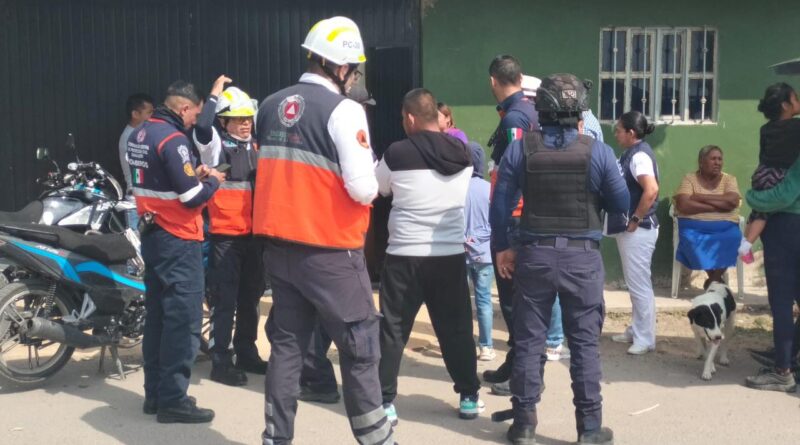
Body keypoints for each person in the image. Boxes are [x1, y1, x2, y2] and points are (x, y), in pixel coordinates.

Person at [253, 17, 394, 445]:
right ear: (339, 66)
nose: (354, 76)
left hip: (279, 249)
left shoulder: (269, 105)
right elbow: (363, 188)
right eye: (353, 68)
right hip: (331, 251)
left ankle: (276, 438)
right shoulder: (344, 110)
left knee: (287, 350)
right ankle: (378, 441)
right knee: (360, 349)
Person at [491, 73, 629, 445]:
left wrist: (504, 246)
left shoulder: (520, 149)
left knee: (529, 341)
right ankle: (589, 428)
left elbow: (501, 203)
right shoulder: (598, 152)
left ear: (541, 110)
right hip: (582, 260)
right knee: (583, 346)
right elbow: (621, 204)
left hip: (533, 256)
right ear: (579, 111)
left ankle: (523, 425)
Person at [376, 88, 483, 423]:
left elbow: (379, 188)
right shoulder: (465, 154)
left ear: (409, 118)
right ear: (437, 117)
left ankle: (384, 402)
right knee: (457, 329)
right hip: (450, 254)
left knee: (393, 329)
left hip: (404, 255)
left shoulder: (396, 152)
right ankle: (468, 395)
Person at [127, 80, 225, 423]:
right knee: (183, 321)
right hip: (178, 238)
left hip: (152, 235)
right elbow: (192, 197)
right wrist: (212, 179)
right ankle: (173, 400)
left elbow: (163, 179)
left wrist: (191, 175)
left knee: (157, 318)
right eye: (196, 113)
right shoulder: (173, 139)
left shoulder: (139, 134)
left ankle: (154, 394)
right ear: (184, 108)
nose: (195, 120)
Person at [298, 84, 379, 406]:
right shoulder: (340, 133)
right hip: (332, 238)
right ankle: (328, 383)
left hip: (338, 237)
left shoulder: (339, 134)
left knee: (327, 316)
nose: (366, 110)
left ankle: (322, 382)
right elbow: (364, 188)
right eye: (363, 104)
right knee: (335, 316)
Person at [192, 77, 267, 386]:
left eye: (247, 118)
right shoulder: (215, 147)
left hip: (254, 237)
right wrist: (213, 96)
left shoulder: (257, 147)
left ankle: (247, 351)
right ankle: (221, 360)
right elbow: (200, 128)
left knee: (251, 298)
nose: (245, 124)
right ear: (224, 122)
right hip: (225, 237)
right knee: (225, 300)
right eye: (237, 119)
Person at [483, 54, 539, 396]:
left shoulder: (516, 118)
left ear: (494, 81)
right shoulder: (527, 111)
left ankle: (521, 372)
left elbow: (516, 168)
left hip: (514, 219)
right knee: (515, 299)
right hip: (518, 217)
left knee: (513, 300)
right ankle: (514, 361)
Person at [743, 86, 800, 393]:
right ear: (788, 104)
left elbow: (783, 193)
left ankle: (783, 371)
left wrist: (754, 197)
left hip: (784, 226)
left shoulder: (770, 133)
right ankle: (788, 357)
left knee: (780, 302)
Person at [608, 111, 660, 355]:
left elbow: (651, 190)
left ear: (631, 133)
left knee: (639, 285)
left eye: (619, 130)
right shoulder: (633, 153)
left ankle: (645, 337)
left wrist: (636, 219)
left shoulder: (639, 156)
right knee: (635, 282)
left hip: (639, 230)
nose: (616, 134)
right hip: (633, 229)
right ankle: (638, 328)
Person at [739, 83, 800, 261]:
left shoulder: (765, 129)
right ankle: (748, 243)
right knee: (765, 213)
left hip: (763, 172)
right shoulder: (796, 127)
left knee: (758, 210)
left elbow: (763, 154)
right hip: (780, 174)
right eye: (795, 99)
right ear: (785, 106)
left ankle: (745, 240)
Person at [673, 146, 741, 288]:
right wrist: (718, 205)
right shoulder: (689, 179)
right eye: (713, 159)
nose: (717, 162)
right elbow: (684, 205)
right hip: (693, 226)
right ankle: (716, 280)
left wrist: (700, 197)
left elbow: (733, 201)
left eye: (720, 159)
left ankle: (713, 280)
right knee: (690, 239)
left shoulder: (729, 179)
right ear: (701, 162)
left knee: (735, 237)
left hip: (725, 226)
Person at [465, 141, 495, 361]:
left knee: (462, 301)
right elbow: (496, 222)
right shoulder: (490, 189)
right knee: (483, 300)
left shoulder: (457, 189)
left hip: (461, 252)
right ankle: (486, 346)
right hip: (484, 253)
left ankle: (463, 343)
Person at [119, 93, 154, 192]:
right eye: (149, 112)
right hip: (138, 194)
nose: (153, 116)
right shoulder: (132, 138)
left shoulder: (139, 133)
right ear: (135, 114)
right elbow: (137, 169)